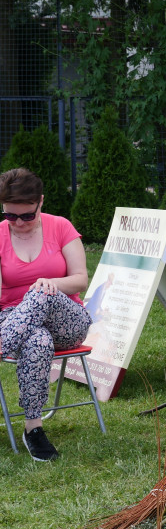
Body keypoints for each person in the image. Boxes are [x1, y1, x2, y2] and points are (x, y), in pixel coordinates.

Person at [0, 168, 91, 461]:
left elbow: (80, 279)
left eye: (27, 216)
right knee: (36, 339)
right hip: (16, 320)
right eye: (10, 216)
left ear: (41, 202)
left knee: (41, 292)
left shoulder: (60, 226)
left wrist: (51, 284)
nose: (19, 223)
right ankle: (33, 429)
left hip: (67, 321)